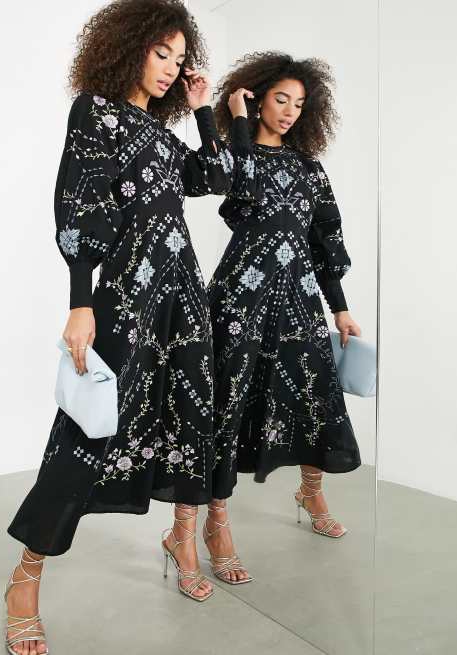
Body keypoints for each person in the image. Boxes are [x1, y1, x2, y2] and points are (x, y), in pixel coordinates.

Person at [3, 2, 253, 653]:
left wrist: (203, 110)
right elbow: (78, 201)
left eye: (179, 58)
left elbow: (216, 177)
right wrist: (80, 300)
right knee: (89, 429)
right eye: (159, 53)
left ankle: (183, 540)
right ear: (128, 47)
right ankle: (25, 577)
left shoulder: (163, 135)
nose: (170, 67)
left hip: (183, 295)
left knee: (192, 416)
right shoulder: (96, 112)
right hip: (124, 294)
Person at [206, 52, 363, 573]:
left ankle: (310, 491)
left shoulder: (308, 168)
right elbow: (239, 197)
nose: (291, 111)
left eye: (299, 103)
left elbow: (325, 240)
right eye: (281, 99)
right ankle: (216, 519)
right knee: (229, 399)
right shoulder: (236, 154)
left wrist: (340, 308)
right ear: (256, 99)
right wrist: (239, 125)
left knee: (315, 393)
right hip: (241, 295)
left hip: (297, 297)